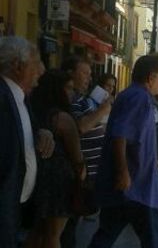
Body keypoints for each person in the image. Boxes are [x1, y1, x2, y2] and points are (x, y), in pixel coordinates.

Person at [88, 55, 158, 248]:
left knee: (106, 235)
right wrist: (123, 172)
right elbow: (120, 135)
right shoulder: (140, 98)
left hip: (128, 186)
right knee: (154, 241)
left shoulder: (128, 95)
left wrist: (149, 158)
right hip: (136, 187)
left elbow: (132, 136)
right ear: (150, 78)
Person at [0, 36, 54, 247]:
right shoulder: (3, 99)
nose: (41, 70)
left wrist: (41, 132)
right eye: (36, 62)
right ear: (16, 66)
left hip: (16, 210)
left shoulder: (20, 98)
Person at [26, 70, 86, 248]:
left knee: (38, 232)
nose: (72, 92)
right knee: (54, 235)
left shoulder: (34, 111)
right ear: (56, 90)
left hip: (39, 180)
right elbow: (76, 155)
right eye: (68, 88)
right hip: (60, 183)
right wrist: (82, 174)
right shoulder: (63, 118)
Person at [60, 57, 112, 248]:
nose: (89, 79)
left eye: (90, 74)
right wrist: (104, 110)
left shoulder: (84, 99)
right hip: (79, 173)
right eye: (84, 73)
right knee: (67, 225)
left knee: (74, 221)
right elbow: (80, 126)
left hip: (89, 173)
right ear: (71, 75)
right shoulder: (71, 100)